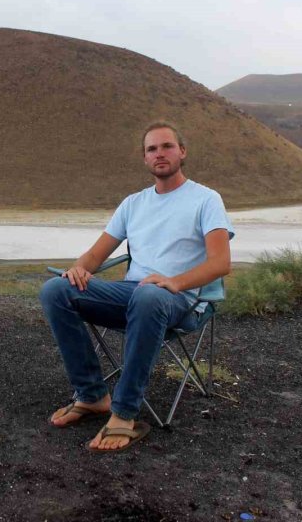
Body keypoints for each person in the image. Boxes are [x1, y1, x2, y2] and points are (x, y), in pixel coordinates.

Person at [39, 122, 234, 451]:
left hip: (182, 301)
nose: (160, 153)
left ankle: (124, 413)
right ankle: (92, 396)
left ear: (181, 152)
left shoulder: (206, 199)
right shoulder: (133, 203)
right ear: (145, 159)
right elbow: (96, 254)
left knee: (148, 294)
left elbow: (220, 263)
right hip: (136, 296)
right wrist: (78, 270)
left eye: (167, 146)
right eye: (151, 149)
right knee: (55, 290)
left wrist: (174, 281)